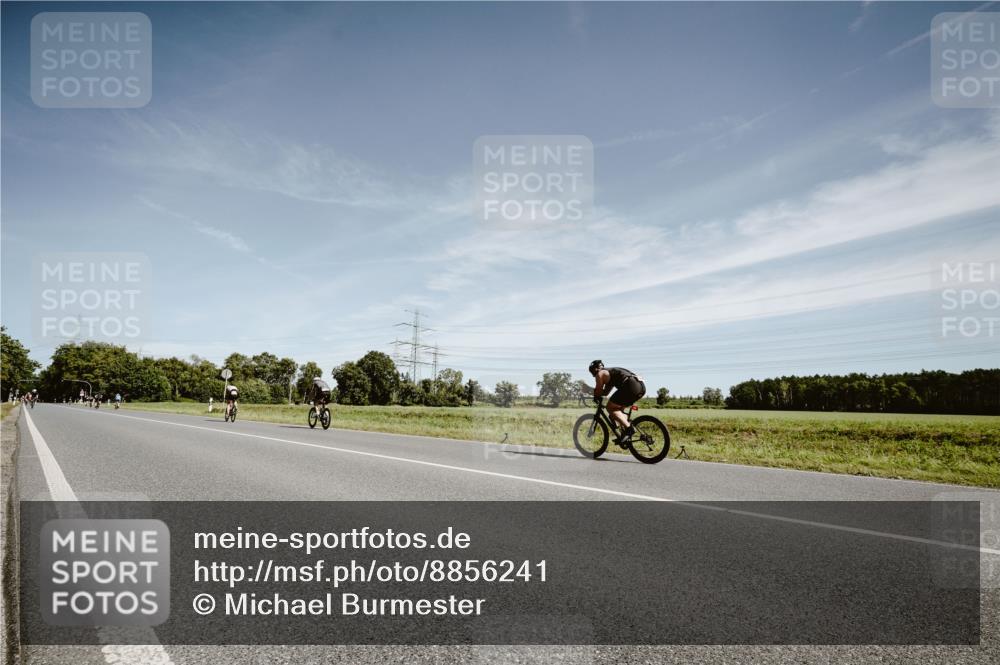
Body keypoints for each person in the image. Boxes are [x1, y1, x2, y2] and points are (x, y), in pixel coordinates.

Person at [588, 360, 646, 440]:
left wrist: (587, 390)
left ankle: (629, 429)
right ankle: (625, 435)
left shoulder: (600, 373)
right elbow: (605, 393)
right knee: (618, 412)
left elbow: (598, 391)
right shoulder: (610, 373)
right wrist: (595, 393)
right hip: (639, 387)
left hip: (630, 386)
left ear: (594, 370)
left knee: (610, 408)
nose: (593, 376)